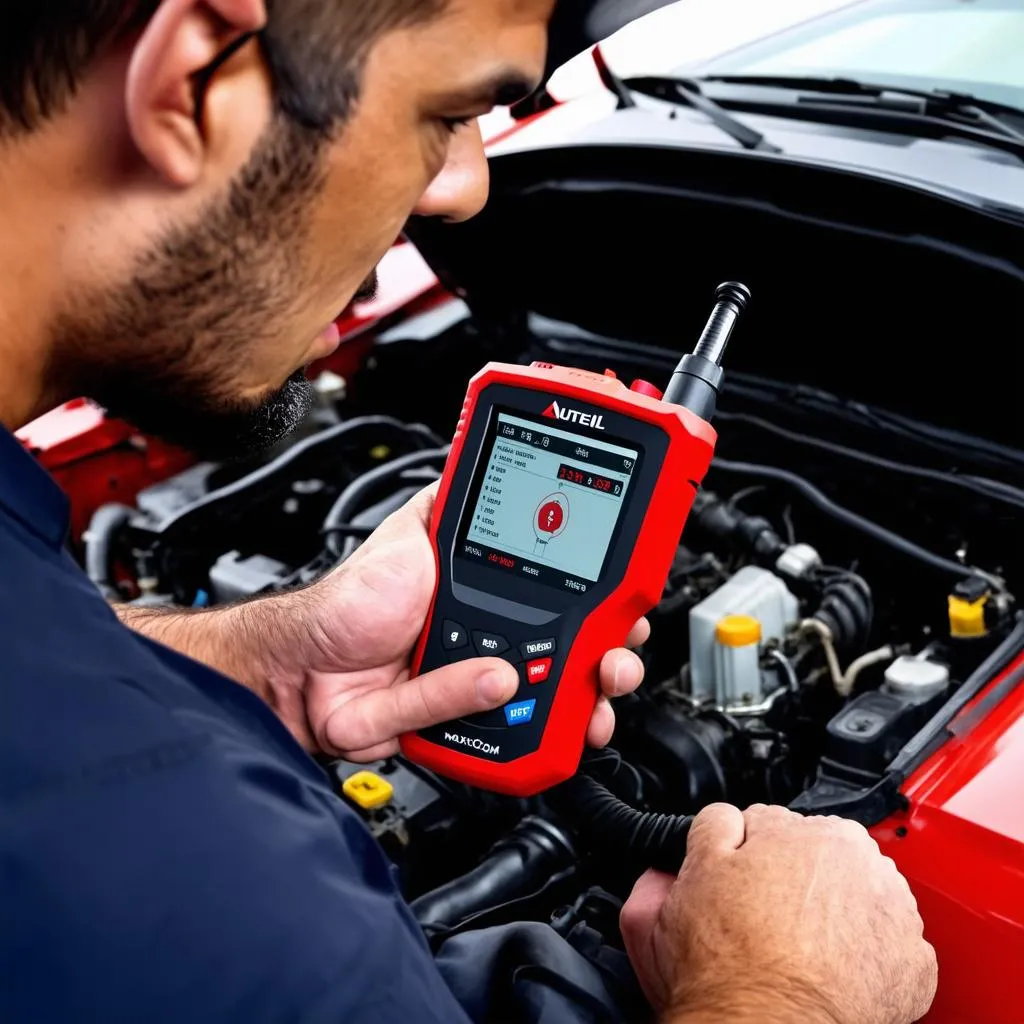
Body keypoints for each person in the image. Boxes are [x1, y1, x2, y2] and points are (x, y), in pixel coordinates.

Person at [0, 2, 937, 1022]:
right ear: (190, 82)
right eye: (446, 113)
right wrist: (788, 993)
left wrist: (259, 661)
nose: (467, 185)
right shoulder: (239, 903)